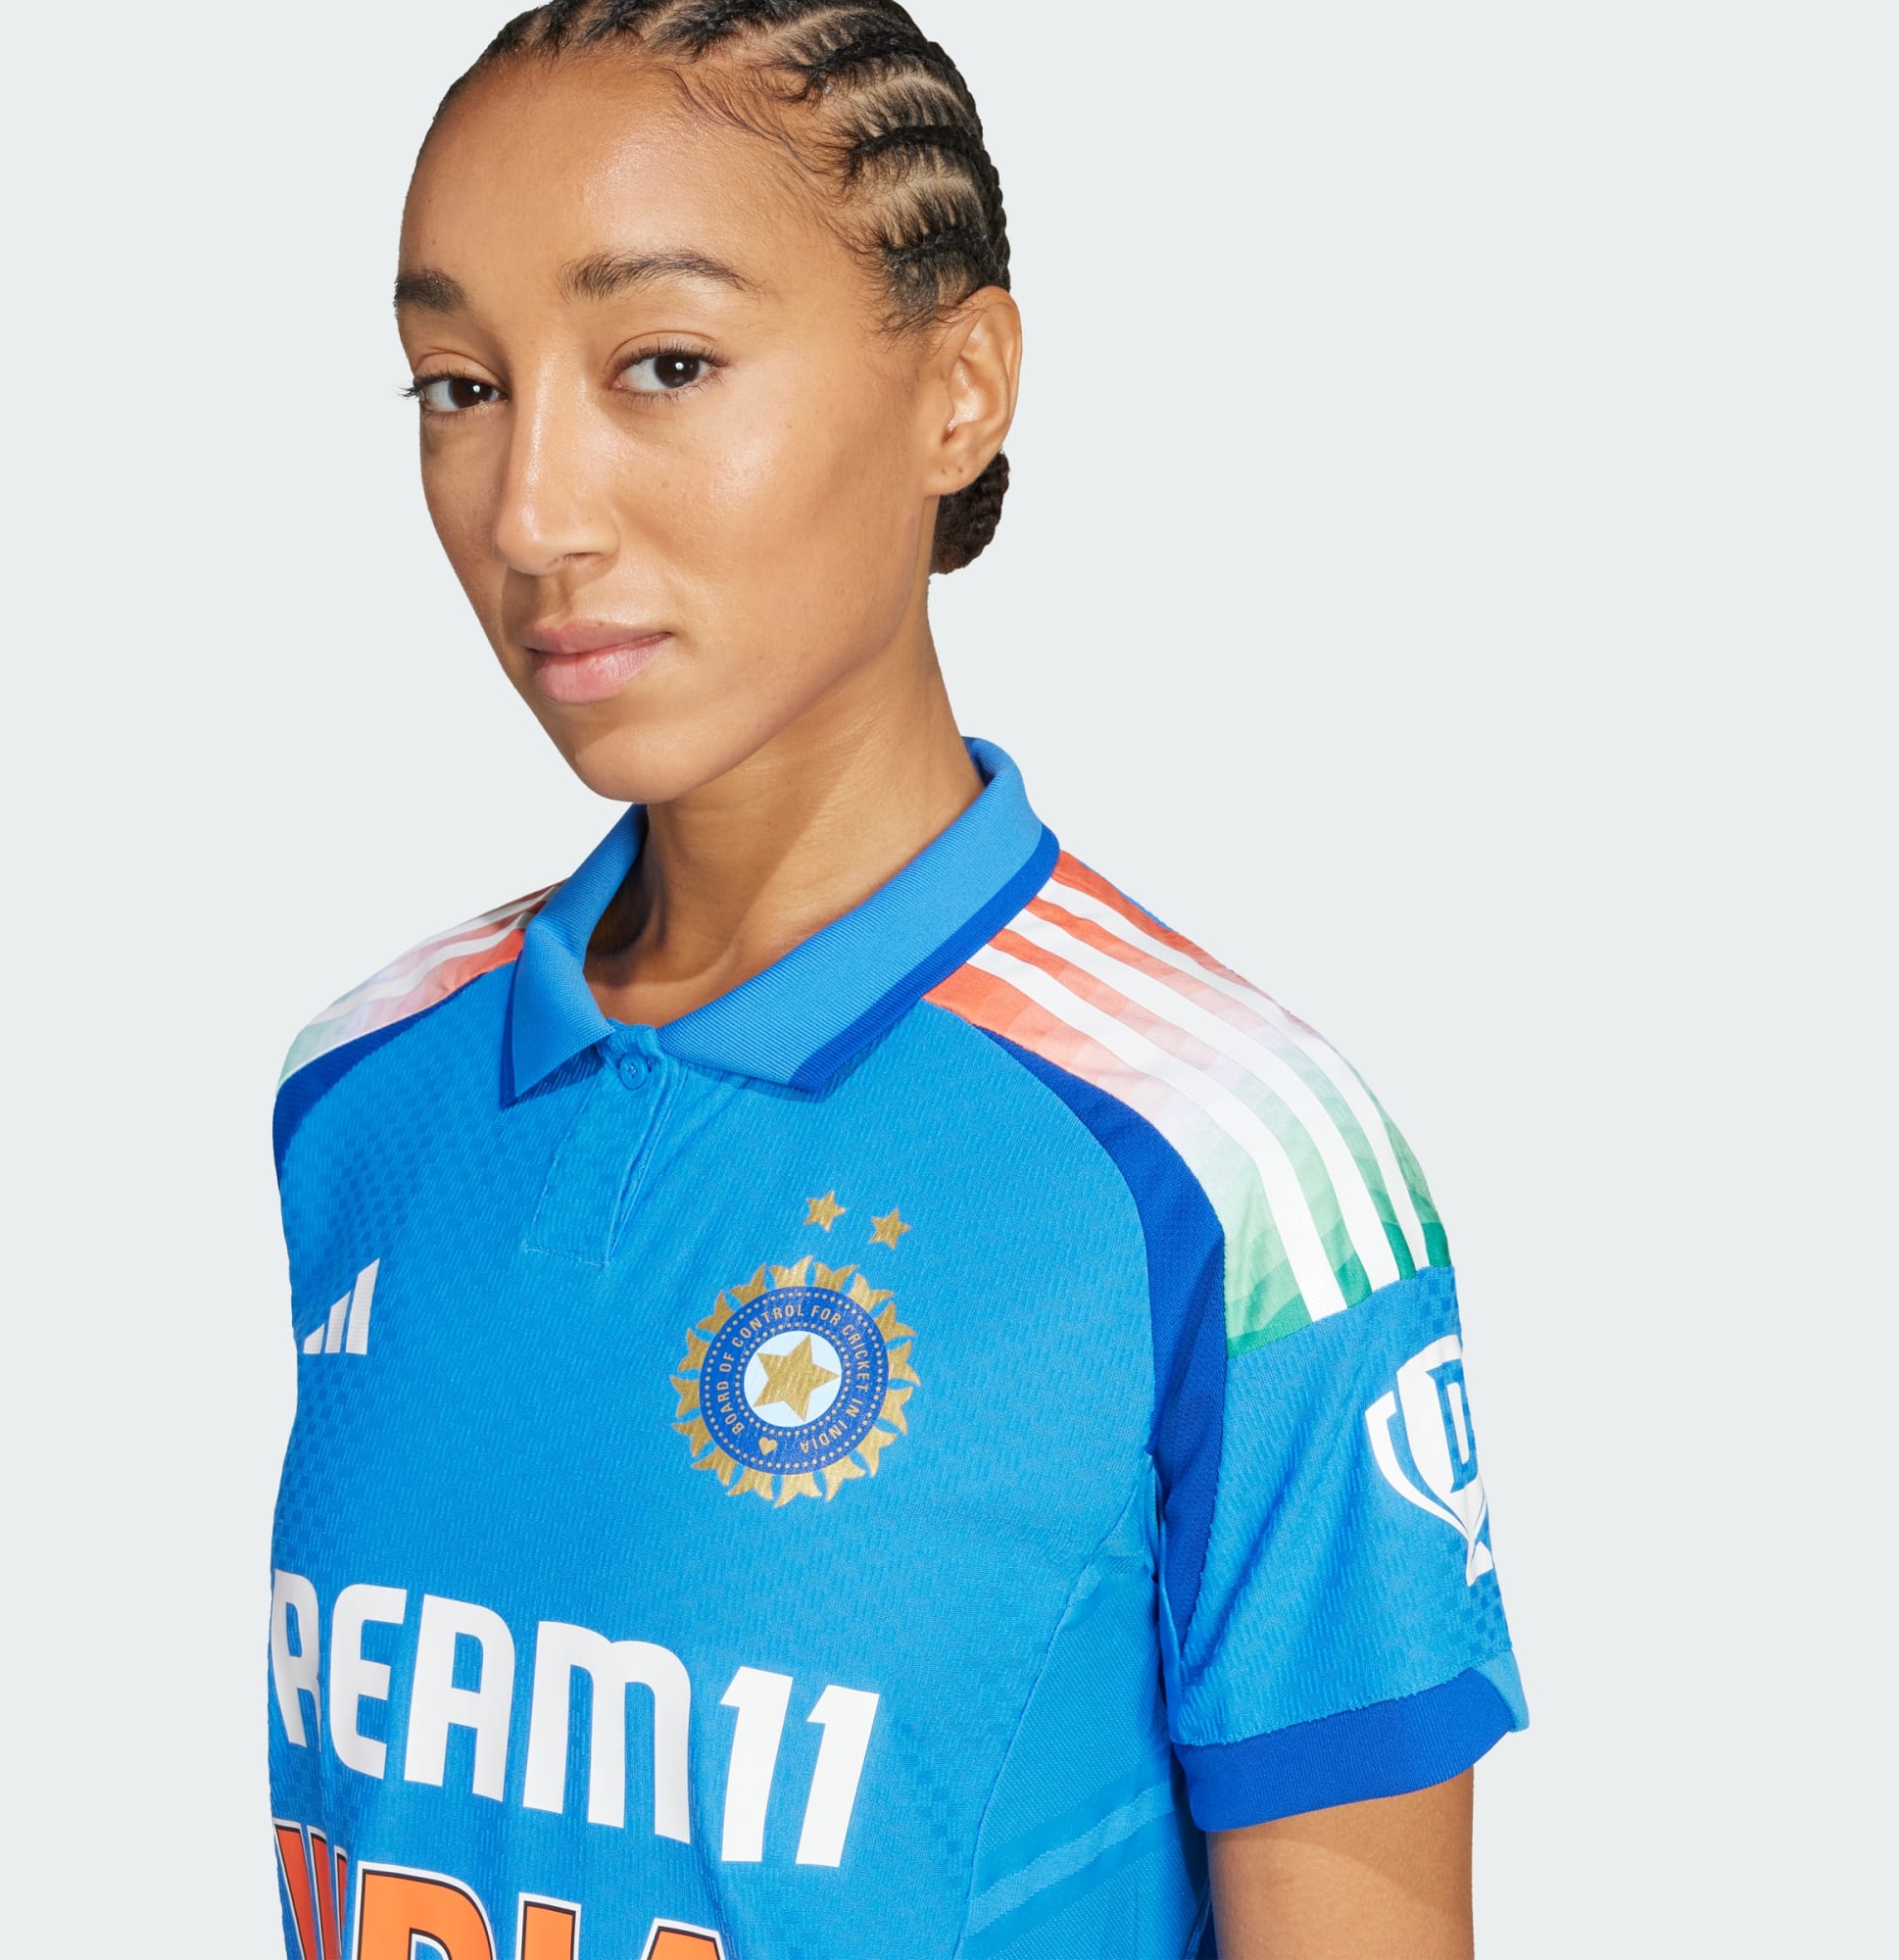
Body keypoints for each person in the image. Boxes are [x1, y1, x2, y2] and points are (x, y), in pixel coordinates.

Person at [264, 6, 1526, 1957]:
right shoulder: (367, 1088)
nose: (531, 513)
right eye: (460, 387)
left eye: (663, 365)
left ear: (961, 386)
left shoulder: (1219, 1168)